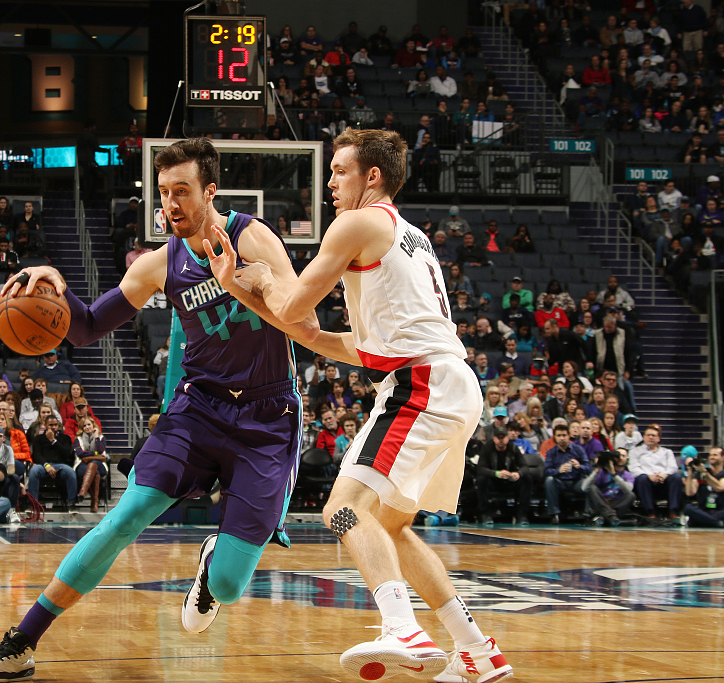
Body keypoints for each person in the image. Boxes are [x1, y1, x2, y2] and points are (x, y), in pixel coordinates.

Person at [0, 137, 327, 683]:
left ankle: (212, 569)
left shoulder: (254, 237)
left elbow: (304, 322)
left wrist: (255, 286)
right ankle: (21, 644)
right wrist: (54, 285)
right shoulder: (161, 263)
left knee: (228, 585)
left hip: (268, 421)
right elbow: (84, 328)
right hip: (198, 411)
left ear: (211, 191)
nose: (171, 204)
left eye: (183, 191)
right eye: (163, 193)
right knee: (124, 517)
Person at [209, 128, 510, 683]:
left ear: (373, 177)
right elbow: (329, 339)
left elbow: (296, 304)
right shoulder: (408, 237)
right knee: (391, 529)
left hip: (418, 385)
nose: (330, 182)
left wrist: (260, 279)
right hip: (451, 383)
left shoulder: (358, 222)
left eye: (340, 170)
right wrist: (239, 287)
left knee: (343, 510)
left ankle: (401, 627)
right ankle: (477, 649)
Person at [476, 425, 531, 524]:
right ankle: (485, 514)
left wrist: (518, 474)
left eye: (503, 437)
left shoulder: (513, 448)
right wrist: (496, 473)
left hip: (510, 482)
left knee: (527, 478)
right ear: (494, 438)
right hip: (493, 482)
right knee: (481, 479)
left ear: (507, 438)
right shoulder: (487, 448)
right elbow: (480, 469)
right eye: (498, 437)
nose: (501, 440)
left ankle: (522, 515)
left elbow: (525, 467)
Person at [681, 445, 724, 528]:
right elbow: (689, 493)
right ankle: (722, 524)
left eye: (715, 455)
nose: (711, 457)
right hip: (703, 511)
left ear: (723, 457)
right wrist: (690, 470)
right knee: (688, 508)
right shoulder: (699, 474)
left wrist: (705, 473)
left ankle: (702, 522)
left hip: (720, 511)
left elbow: (719, 487)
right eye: (710, 455)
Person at [629, 425, 683, 519]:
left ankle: (673, 512)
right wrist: (650, 476)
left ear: (658, 438)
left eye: (653, 435)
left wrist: (664, 475)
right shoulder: (634, 451)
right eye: (648, 435)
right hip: (645, 483)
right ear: (644, 437)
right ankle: (651, 512)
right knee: (642, 478)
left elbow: (673, 467)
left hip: (663, 482)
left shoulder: (667, 452)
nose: (650, 437)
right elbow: (633, 469)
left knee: (677, 477)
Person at [543, 423, 591, 524]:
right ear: (555, 437)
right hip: (560, 482)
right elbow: (546, 471)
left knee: (590, 483)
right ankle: (554, 514)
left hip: (576, 481)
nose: (562, 438)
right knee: (549, 480)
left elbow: (589, 469)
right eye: (559, 436)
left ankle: (588, 514)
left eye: (564, 435)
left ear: (568, 436)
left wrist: (579, 466)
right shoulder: (551, 452)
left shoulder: (578, 450)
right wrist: (558, 471)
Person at [581, 448, 635, 526]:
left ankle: (605, 517)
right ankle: (611, 517)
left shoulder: (628, 475)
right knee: (592, 488)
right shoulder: (602, 472)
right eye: (618, 455)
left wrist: (614, 474)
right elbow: (584, 488)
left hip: (616, 503)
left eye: (623, 456)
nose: (620, 458)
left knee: (631, 495)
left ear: (627, 459)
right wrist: (596, 470)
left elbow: (628, 490)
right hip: (601, 502)